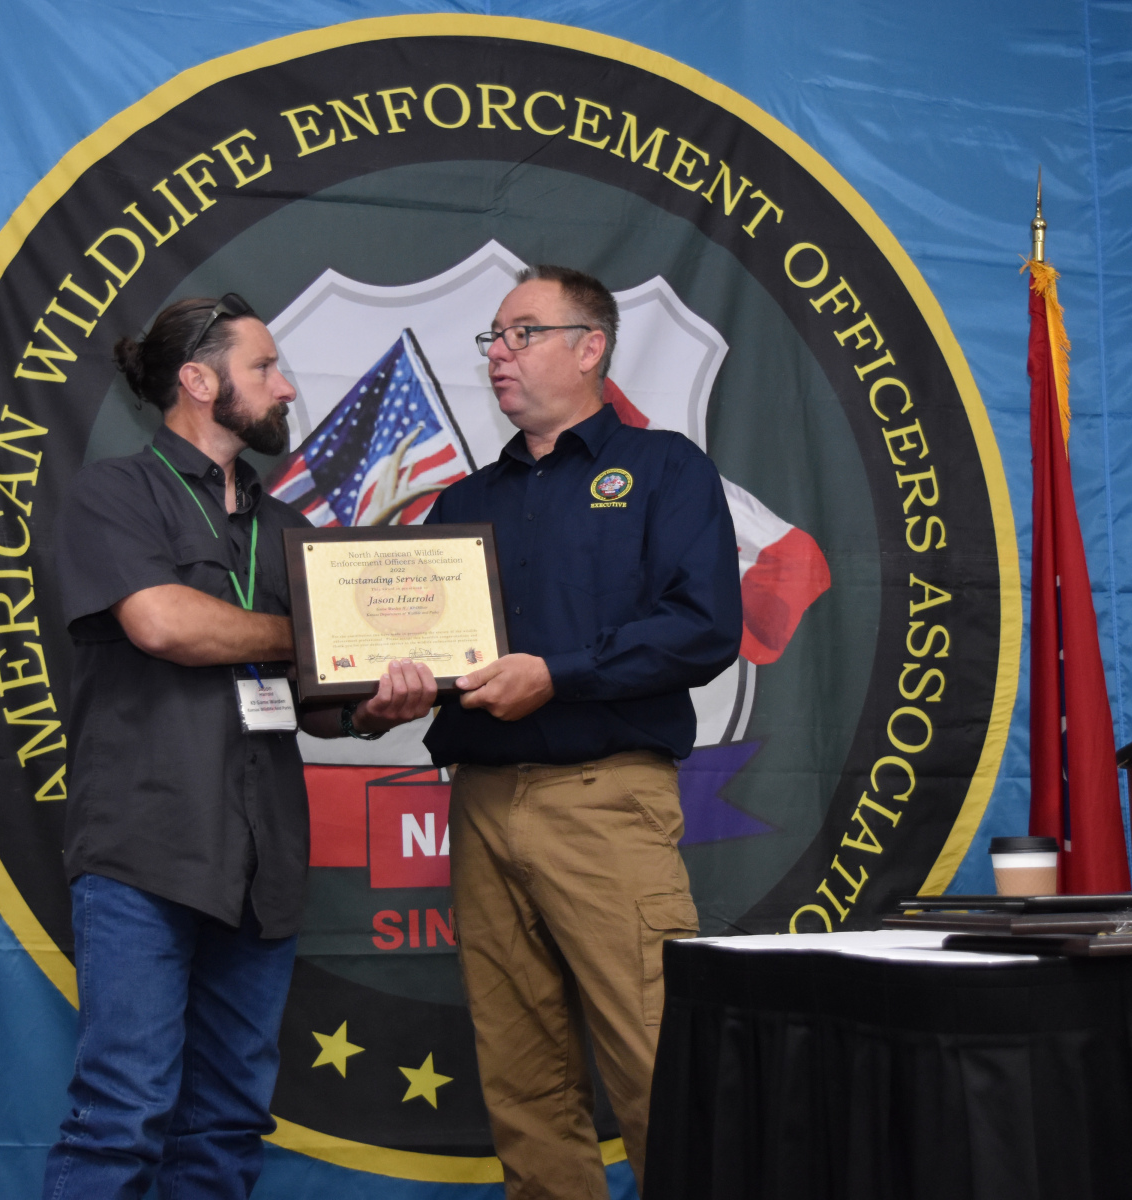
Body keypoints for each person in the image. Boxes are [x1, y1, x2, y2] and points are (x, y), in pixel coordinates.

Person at [41, 294, 436, 1200]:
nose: (285, 386)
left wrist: (377, 705)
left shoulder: (288, 528)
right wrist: (319, 639)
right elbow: (164, 624)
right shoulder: (114, 493)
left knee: (226, 1122)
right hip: (147, 856)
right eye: (264, 368)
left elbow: (323, 708)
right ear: (197, 380)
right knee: (122, 1116)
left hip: (265, 866)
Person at [424, 266, 743, 1198]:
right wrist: (381, 695)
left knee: (656, 1058)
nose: (499, 354)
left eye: (521, 333)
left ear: (590, 346)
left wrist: (557, 674)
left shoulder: (665, 469)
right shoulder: (460, 503)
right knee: (522, 1082)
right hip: (481, 803)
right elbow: (433, 659)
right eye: (493, 338)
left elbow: (702, 627)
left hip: (605, 801)